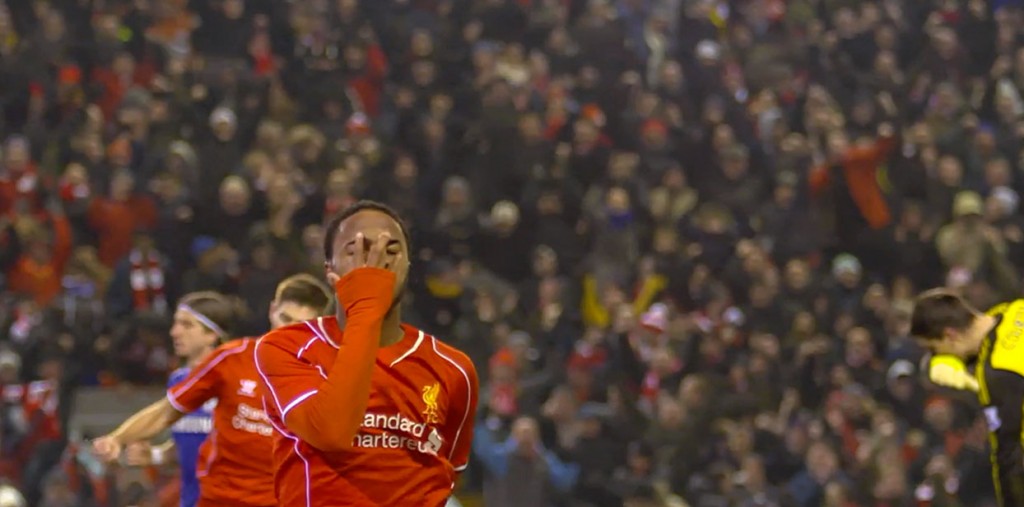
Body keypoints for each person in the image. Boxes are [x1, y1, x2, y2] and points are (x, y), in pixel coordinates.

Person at [255, 200, 479, 506]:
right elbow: (330, 432)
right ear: (330, 269)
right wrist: (365, 306)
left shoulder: (454, 368)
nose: (376, 262)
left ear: (409, 265)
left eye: (391, 251)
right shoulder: (286, 347)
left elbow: (448, 471)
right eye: (357, 250)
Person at [90, 276, 332, 506]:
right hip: (219, 499)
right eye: (284, 318)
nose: (287, 330)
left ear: (317, 327)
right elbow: (167, 412)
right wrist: (118, 438)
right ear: (271, 310)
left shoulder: (325, 378)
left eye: (299, 325)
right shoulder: (231, 358)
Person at [91, 291, 249, 507]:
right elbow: (191, 440)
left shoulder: (238, 382)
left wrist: (118, 438)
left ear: (211, 334)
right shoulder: (179, 379)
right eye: (176, 324)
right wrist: (157, 456)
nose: (175, 332)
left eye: (186, 325)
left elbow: (161, 415)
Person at [910, 289, 1024, 506]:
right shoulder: (1015, 309)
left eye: (935, 348)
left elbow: (1008, 455)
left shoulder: (997, 372)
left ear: (950, 335)